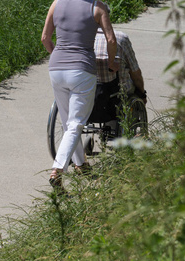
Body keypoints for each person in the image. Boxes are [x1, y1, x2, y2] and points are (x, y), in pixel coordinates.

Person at [41, 0, 119, 190]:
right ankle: (57, 171)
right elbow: (111, 40)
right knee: (76, 124)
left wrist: (57, 56)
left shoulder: (56, 3)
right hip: (82, 70)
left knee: (69, 122)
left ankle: (81, 164)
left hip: (56, 69)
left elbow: (45, 38)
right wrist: (111, 62)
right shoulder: (98, 7)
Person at [94, 8, 146, 104]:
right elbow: (135, 73)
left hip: (89, 92)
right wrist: (142, 93)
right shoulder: (121, 38)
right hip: (117, 94)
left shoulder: (84, 39)